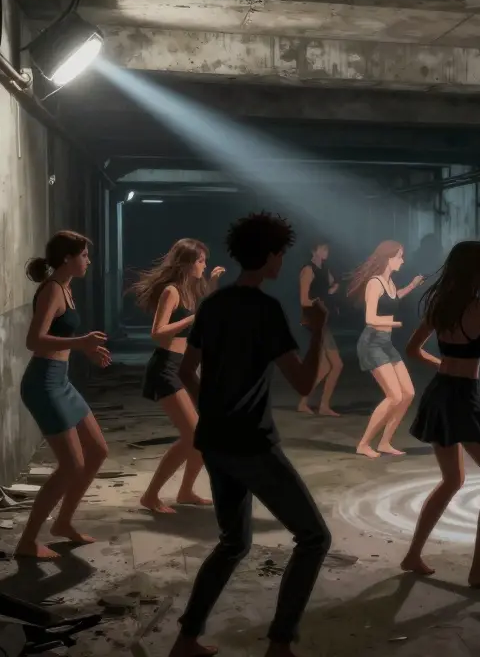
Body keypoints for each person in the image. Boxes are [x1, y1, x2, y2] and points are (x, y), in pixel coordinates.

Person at [169, 212, 332, 657]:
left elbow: (186, 371)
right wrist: (318, 333)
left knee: (233, 542)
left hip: (216, 440)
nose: (283, 260)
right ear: (271, 255)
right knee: (315, 538)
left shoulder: (212, 305)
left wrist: (214, 411)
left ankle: (186, 640)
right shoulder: (266, 310)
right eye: (281, 253)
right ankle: (279, 645)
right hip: (252, 443)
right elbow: (303, 383)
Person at [399, 241, 480, 588]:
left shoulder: (440, 305)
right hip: (462, 398)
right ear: (478, 270)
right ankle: (478, 570)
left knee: (453, 480)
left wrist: (441, 363)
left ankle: (413, 554)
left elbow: (412, 350)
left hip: (439, 393)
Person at [15, 231, 112, 560]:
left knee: (97, 451)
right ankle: (27, 542)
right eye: (84, 255)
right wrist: (81, 342)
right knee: (71, 465)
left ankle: (63, 523)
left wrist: (87, 350)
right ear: (68, 258)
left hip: (61, 380)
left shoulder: (66, 289)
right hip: (43, 384)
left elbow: (61, 337)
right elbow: (35, 340)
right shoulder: (52, 291)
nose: (88, 261)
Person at [129, 238, 225, 514]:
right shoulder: (171, 291)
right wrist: (192, 319)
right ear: (185, 263)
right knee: (193, 435)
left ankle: (185, 491)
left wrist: (214, 287)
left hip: (185, 368)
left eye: (204, 261)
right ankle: (150, 496)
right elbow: (157, 333)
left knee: (201, 435)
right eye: (200, 261)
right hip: (166, 368)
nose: (204, 266)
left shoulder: (191, 290)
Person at [347, 240, 425, 458]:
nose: (403, 260)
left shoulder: (389, 282)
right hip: (372, 343)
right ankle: (363, 444)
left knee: (408, 393)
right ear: (388, 258)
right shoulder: (374, 283)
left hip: (385, 343)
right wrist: (395, 324)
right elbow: (370, 318)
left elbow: (393, 298)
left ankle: (384, 442)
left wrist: (412, 285)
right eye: (399, 256)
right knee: (394, 395)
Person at [296, 240, 343, 416]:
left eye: (327, 248)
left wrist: (333, 290)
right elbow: (303, 300)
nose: (327, 251)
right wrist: (318, 301)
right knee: (337, 365)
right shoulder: (308, 270)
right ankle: (323, 406)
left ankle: (304, 402)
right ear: (314, 251)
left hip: (323, 319)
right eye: (323, 249)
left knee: (324, 367)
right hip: (316, 321)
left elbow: (331, 285)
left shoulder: (324, 268)